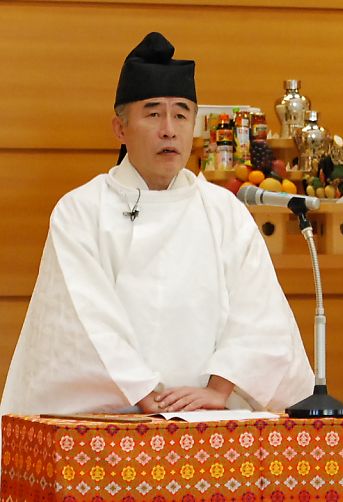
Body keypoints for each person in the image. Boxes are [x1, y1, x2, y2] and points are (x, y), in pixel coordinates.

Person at [0, 32, 314, 420]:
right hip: (115, 417)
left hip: (212, 417)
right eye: (153, 114)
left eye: (181, 114)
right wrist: (144, 392)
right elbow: (80, 319)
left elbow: (259, 310)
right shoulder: (81, 211)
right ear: (120, 129)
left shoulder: (224, 211)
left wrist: (217, 390)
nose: (169, 129)